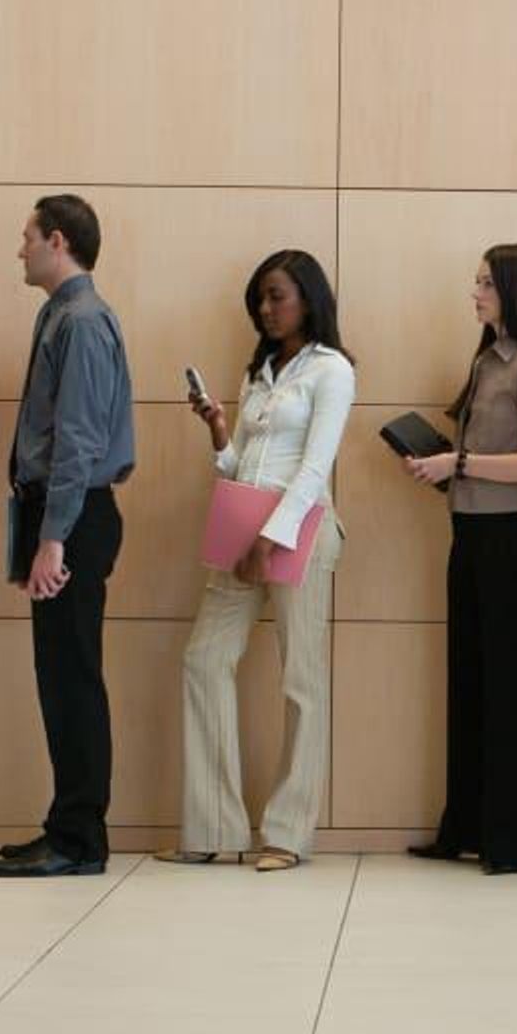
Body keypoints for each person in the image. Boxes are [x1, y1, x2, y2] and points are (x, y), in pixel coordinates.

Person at [156, 251, 353, 873]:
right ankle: (215, 827)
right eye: (260, 300)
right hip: (244, 525)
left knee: (301, 679)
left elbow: (315, 466)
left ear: (308, 299)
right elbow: (239, 465)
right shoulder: (259, 373)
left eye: (276, 296)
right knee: (204, 659)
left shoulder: (332, 369)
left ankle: (288, 834)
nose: (266, 310)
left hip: (301, 527)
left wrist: (273, 534)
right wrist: (220, 428)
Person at [403, 244, 517, 875]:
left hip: (513, 538)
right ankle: (467, 827)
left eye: (486, 284)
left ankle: (514, 840)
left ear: (516, 292)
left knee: (510, 688)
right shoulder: (484, 363)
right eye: (476, 283)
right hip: (470, 530)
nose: (475, 294)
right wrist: (442, 466)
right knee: (470, 680)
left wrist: (461, 462)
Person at [0, 194, 134, 878]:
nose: (19, 249)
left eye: (27, 237)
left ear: (58, 241)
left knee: (72, 677)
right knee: (59, 676)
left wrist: (54, 539)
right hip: (59, 514)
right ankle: (66, 825)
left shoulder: (80, 321)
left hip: (73, 518)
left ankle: (80, 839)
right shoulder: (61, 314)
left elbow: (77, 441)